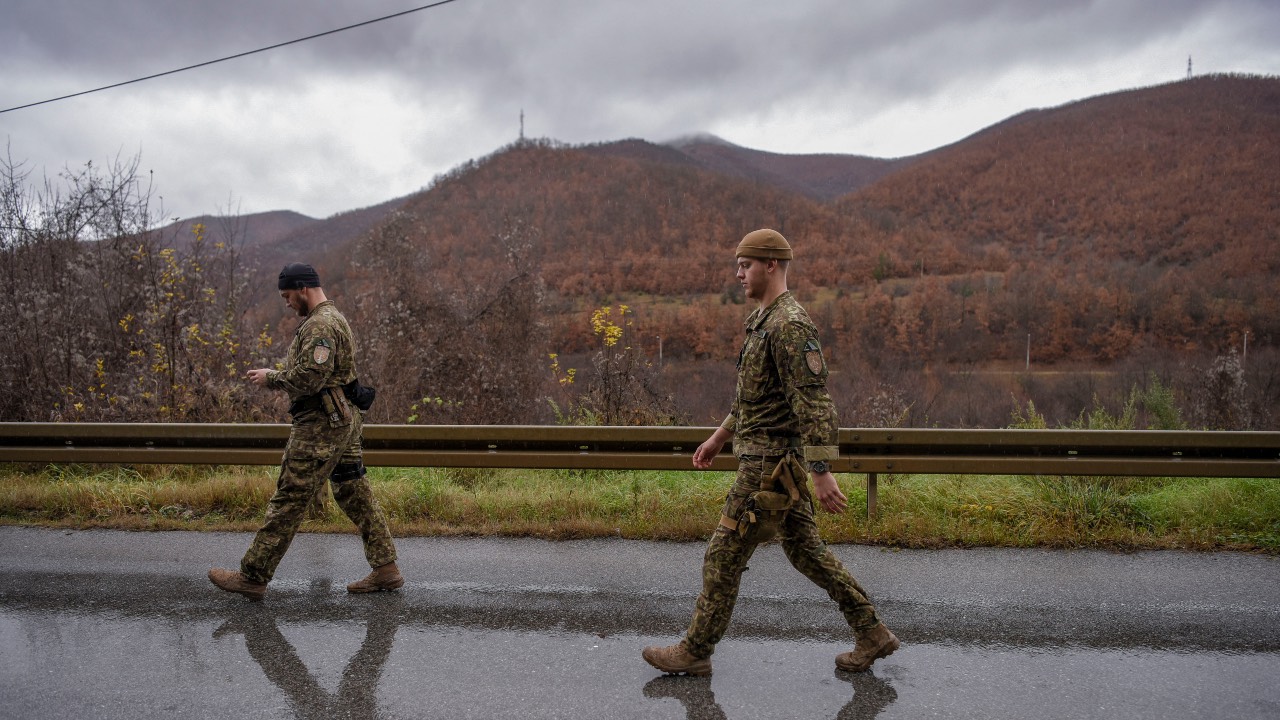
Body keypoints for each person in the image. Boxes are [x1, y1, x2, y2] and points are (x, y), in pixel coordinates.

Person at [642, 229, 899, 676]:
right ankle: (872, 632)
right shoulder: (762, 321)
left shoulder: (789, 325)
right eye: (739, 265)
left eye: (745, 265)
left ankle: (696, 650)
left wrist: (821, 470)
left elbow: (814, 402)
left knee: (723, 555)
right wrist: (720, 436)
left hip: (769, 466)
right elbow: (753, 400)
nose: (739, 273)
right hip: (770, 460)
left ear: (771, 265)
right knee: (805, 552)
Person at [209, 262, 402, 600]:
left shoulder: (321, 326)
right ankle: (386, 570)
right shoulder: (333, 317)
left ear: (302, 288)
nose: (286, 303)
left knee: (290, 496)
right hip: (342, 420)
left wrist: (272, 377)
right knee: (354, 493)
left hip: (322, 427)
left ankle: (252, 577)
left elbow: (310, 378)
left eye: (287, 295)